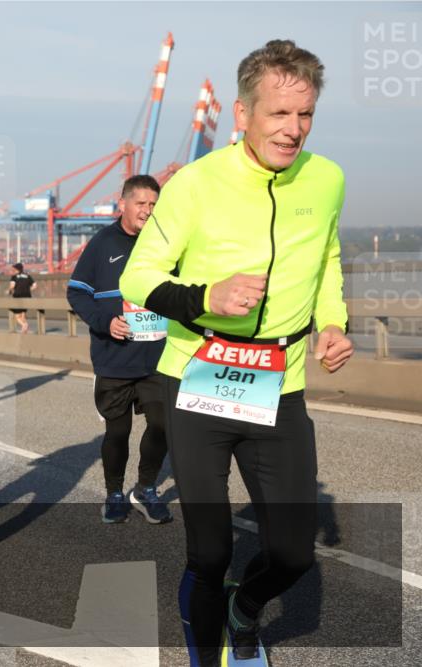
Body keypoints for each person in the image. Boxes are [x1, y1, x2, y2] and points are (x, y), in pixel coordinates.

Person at [120, 40, 353, 667]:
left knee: (294, 554)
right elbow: (138, 278)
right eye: (278, 114)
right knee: (210, 550)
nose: (293, 130)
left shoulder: (326, 179)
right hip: (198, 378)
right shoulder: (196, 184)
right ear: (243, 115)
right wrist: (206, 297)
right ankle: (207, 654)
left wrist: (331, 319)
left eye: (304, 115)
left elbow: (327, 259)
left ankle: (242, 610)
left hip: (280, 384)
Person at [67, 175, 171, 525]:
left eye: (153, 204)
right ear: (123, 204)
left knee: (162, 425)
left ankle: (145, 488)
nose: (147, 210)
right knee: (118, 432)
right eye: (141, 203)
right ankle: (114, 493)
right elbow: (77, 293)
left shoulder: (164, 244)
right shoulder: (102, 243)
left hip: (157, 357)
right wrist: (104, 321)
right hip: (114, 357)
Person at [7, 262, 36, 333]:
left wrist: (9, 291)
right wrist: (28, 290)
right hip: (27, 296)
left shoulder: (14, 276)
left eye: (14, 269)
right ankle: (24, 330)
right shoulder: (27, 276)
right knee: (23, 315)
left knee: (17, 316)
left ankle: (24, 324)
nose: (13, 270)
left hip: (18, 296)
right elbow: (35, 285)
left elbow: (12, 286)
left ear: (17, 269)